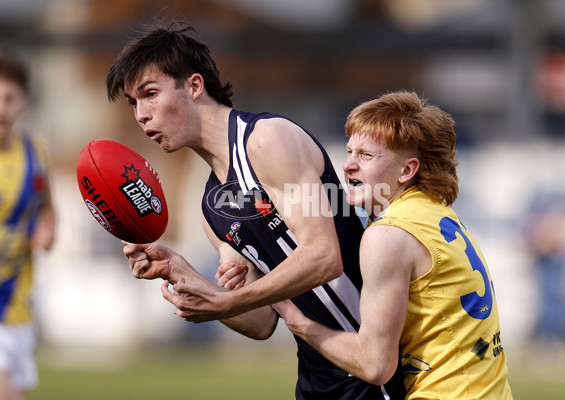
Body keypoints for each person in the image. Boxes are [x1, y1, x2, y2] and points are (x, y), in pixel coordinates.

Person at [106, 24, 405, 399]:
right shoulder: (212, 207)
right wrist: (179, 270)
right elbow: (261, 321)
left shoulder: (266, 140)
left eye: (150, 94)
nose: (141, 114)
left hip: (376, 376)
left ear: (195, 86)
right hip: (317, 381)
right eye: (133, 102)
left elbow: (324, 257)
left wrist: (224, 301)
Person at [270, 91, 514, 399]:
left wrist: (299, 323)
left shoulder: (389, 234)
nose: (348, 166)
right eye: (349, 152)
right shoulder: (435, 213)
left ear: (407, 170)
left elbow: (374, 365)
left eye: (366, 155)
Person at [0, 48, 56, 400]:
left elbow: (49, 207)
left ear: (24, 102)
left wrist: (48, 230)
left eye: (9, 98)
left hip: (17, 302)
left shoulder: (36, 151)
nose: (1, 108)